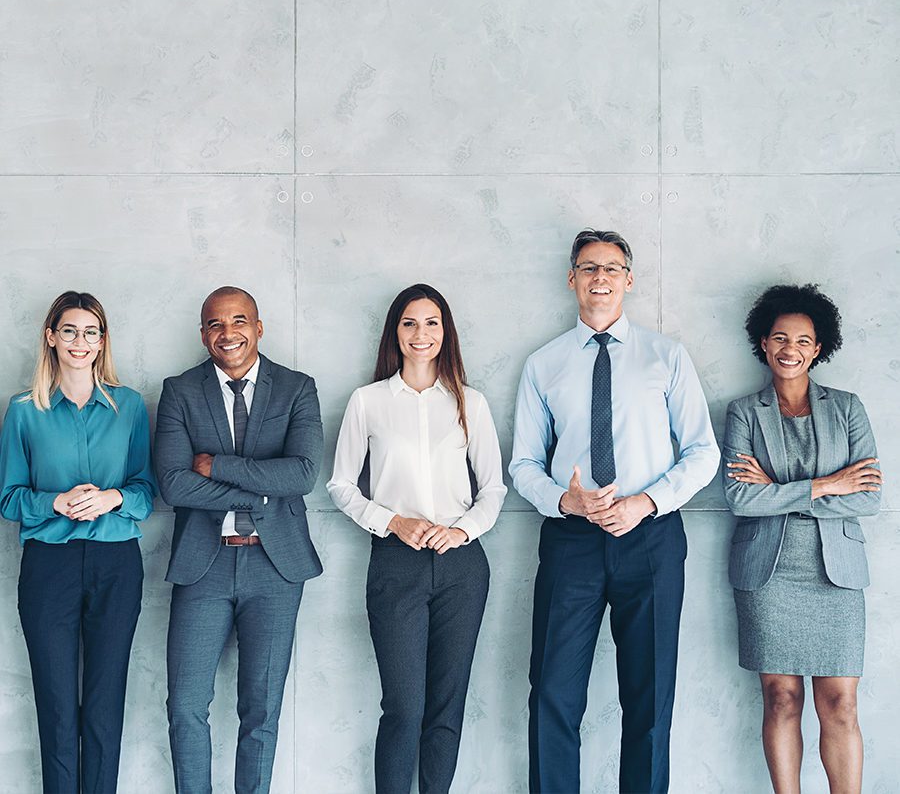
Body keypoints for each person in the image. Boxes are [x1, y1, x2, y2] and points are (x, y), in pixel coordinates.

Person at [510, 228, 720, 794]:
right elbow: (524, 462)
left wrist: (646, 502)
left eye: (610, 268)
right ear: (572, 279)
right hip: (571, 539)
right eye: (587, 267)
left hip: (650, 538)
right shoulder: (544, 364)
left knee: (650, 697)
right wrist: (564, 500)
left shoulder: (667, 356)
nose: (599, 277)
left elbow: (703, 451)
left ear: (627, 280)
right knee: (553, 691)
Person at [327, 283, 506, 794]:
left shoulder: (471, 404)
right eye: (409, 323)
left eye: (431, 323)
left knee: (446, 706)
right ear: (395, 332)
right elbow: (340, 484)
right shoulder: (369, 401)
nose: (420, 333)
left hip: (461, 567)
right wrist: (392, 522)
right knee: (403, 707)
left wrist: (461, 530)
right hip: (395, 563)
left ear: (445, 331)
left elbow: (493, 489)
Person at [154, 286, 323, 794]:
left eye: (239, 321)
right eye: (214, 324)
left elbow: (303, 473)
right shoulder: (180, 391)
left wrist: (220, 467)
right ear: (203, 333)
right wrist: (261, 493)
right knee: (185, 706)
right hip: (201, 567)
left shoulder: (296, 388)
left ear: (259, 326)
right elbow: (174, 484)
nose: (227, 333)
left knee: (261, 710)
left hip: (276, 569)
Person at [723, 284, 881, 794]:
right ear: (764, 344)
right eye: (780, 338)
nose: (791, 349)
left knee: (840, 703)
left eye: (804, 341)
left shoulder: (849, 408)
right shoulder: (744, 412)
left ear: (819, 348)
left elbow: (868, 499)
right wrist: (826, 485)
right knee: (782, 699)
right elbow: (740, 499)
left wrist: (780, 491)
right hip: (768, 575)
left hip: (835, 573)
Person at [0, 291, 156, 794]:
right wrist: (55, 503)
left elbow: (146, 492)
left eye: (91, 332)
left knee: (106, 705)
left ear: (102, 340)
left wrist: (113, 497)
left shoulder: (129, 406)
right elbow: (8, 499)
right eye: (69, 330)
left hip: (117, 563)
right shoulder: (24, 411)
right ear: (51, 337)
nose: (80, 342)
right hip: (49, 567)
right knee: (57, 706)